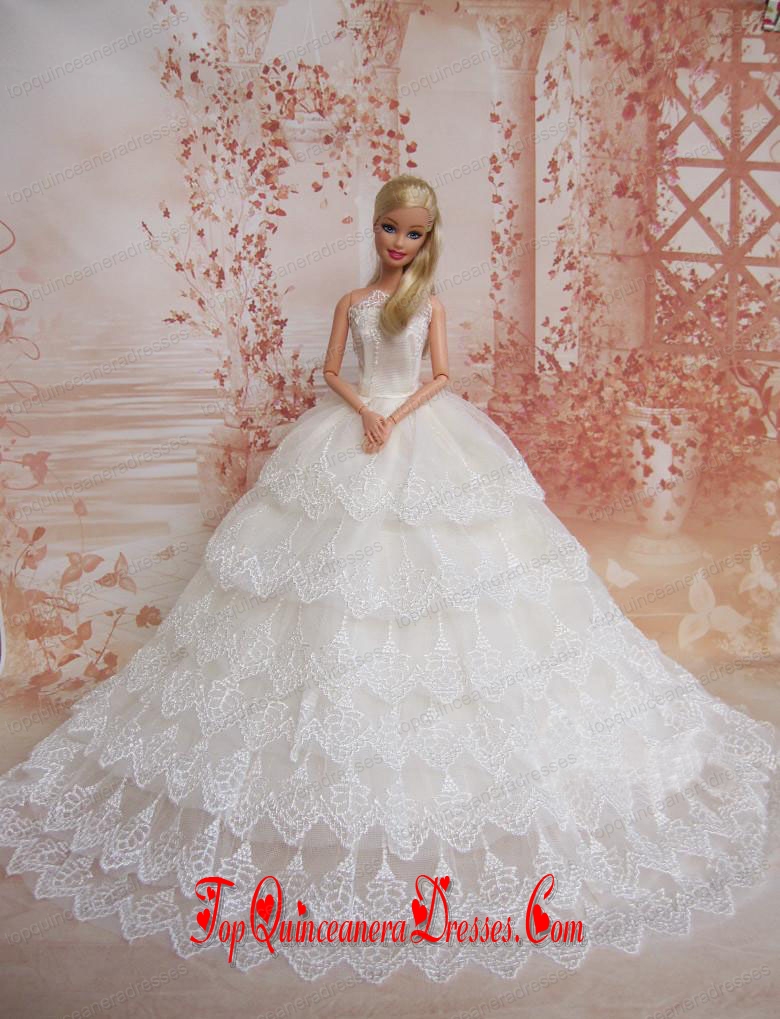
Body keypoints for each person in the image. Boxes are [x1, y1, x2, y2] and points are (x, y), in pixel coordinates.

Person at [0, 174, 777, 984]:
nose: (398, 243)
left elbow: (439, 376)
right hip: (351, 429)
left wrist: (396, 414)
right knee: (322, 578)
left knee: (458, 577)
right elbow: (333, 369)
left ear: (427, 238)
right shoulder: (353, 302)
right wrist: (363, 409)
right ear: (374, 227)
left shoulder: (426, 305)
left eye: (412, 233)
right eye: (389, 229)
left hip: (421, 430)